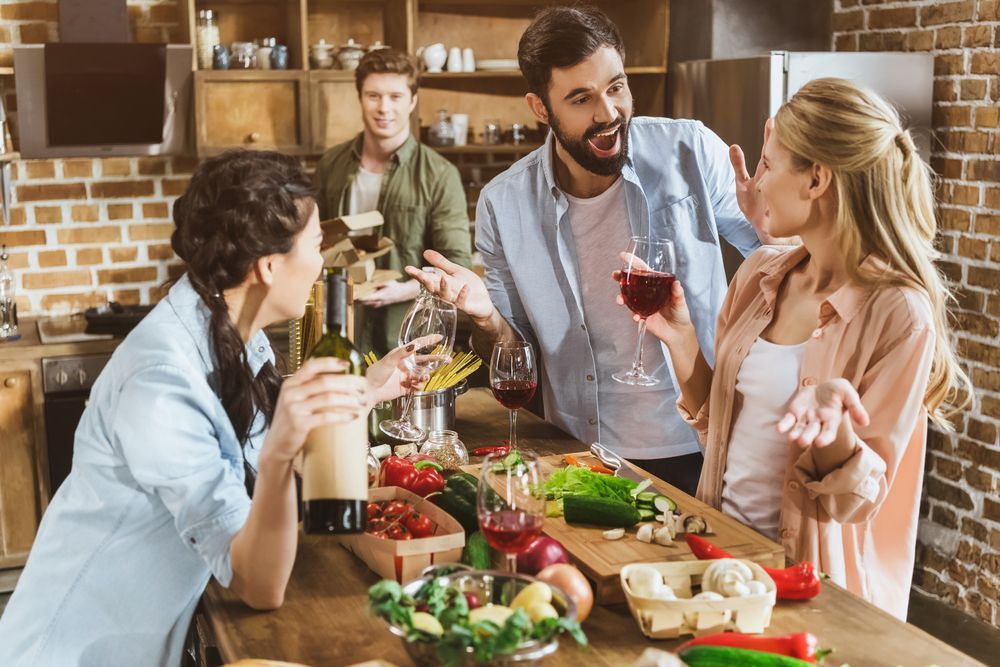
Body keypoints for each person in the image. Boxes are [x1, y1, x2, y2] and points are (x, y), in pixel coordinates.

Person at [0, 151, 427, 665]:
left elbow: (250, 432)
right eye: (316, 246)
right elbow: (258, 584)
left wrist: (367, 390)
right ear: (268, 266)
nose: (322, 262)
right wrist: (279, 457)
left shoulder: (234, 329)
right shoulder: (161, 380)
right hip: (69, 650)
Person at [628, 78, 970, 619]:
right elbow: (717, 431)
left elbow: (854, 501)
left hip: (808, 590)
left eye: (767, 164)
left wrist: (833, 425)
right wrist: (681, 336)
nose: (756, 181)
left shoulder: (899, 313)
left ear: (817, 178)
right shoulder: (762, 274)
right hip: (723, 566)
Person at [407, 6, 771, 495]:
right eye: (581, 98)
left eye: (616, 87)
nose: (608, 113)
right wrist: (486, 317)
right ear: (540, 108)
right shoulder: (504, 203)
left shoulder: (691, 151)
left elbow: (779, 264)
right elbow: (517, 358)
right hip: (582, 451)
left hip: (705, 442)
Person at [314, 48, 472, 356]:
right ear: (359, 97)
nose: (383, 107)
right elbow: (314, 242)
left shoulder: (439, 174)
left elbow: (458, 266)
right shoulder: (331, 164)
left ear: (412, 101)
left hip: (410, 341)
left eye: (395, 97)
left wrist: (403, 290)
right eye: (373, 95)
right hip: (341, 335)